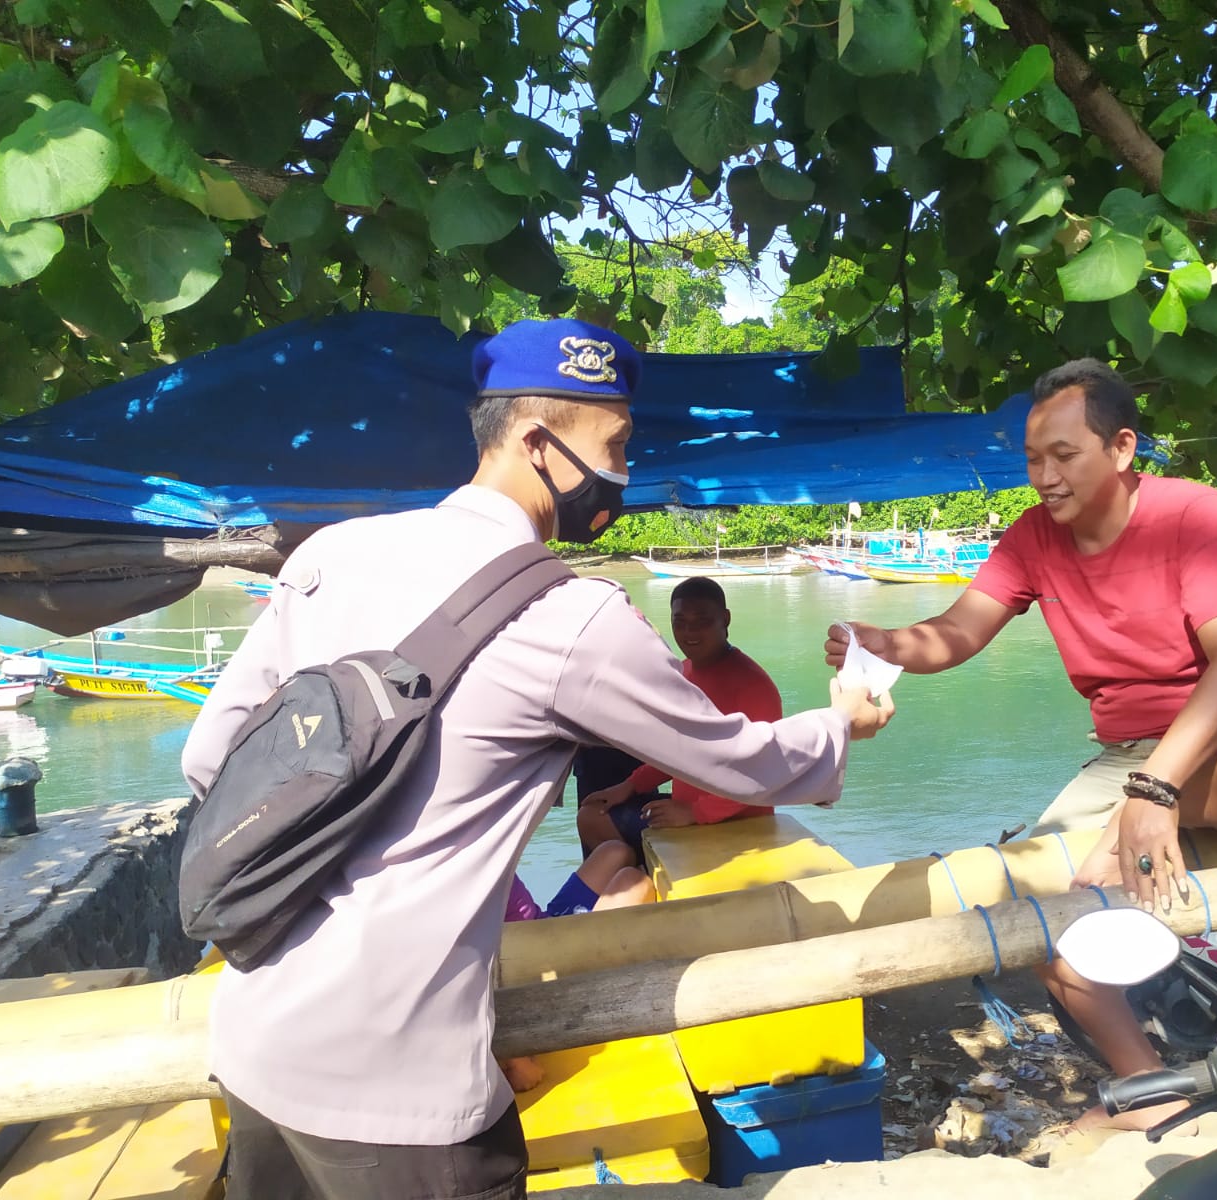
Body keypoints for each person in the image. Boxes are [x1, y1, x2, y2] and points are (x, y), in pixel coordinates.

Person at [183, 317, 895, 1200]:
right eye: (616, 445)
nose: (622, 474)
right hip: (401, 1092)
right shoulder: (571, 616)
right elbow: (737, 761)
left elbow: (212, 759)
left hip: (257, 1043)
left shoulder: (332, 555)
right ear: (537, 442)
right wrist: (840, 725)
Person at [824, 358, 1217, 1134]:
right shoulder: (1033, 537)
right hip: (1133, 758)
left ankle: (1138, 835)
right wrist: (882, 642)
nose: (1044, 475)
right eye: (1034, 459)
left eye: (1063, 455)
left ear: (1122, 449)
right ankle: (1151, 1088)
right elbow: (960, 631)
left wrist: (1152, 797)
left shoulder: (1190, 511)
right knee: (1039, 914)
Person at [578, 576, 784, 852]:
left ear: (725, 619)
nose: (690, 632)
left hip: (733, 822)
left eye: (702, 621)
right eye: (680, 621)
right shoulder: (683, 673)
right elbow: (676, 751)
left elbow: (764, 772)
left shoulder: (754, 686)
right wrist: (628, 787)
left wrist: (694, 814)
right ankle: (634, 882)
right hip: (684, 812)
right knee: (592, 814)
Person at [499, 842, 658, 1095]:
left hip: (546, 925)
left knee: (616, 851)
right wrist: (515, 1058)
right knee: (637, 882)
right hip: (550, 970)